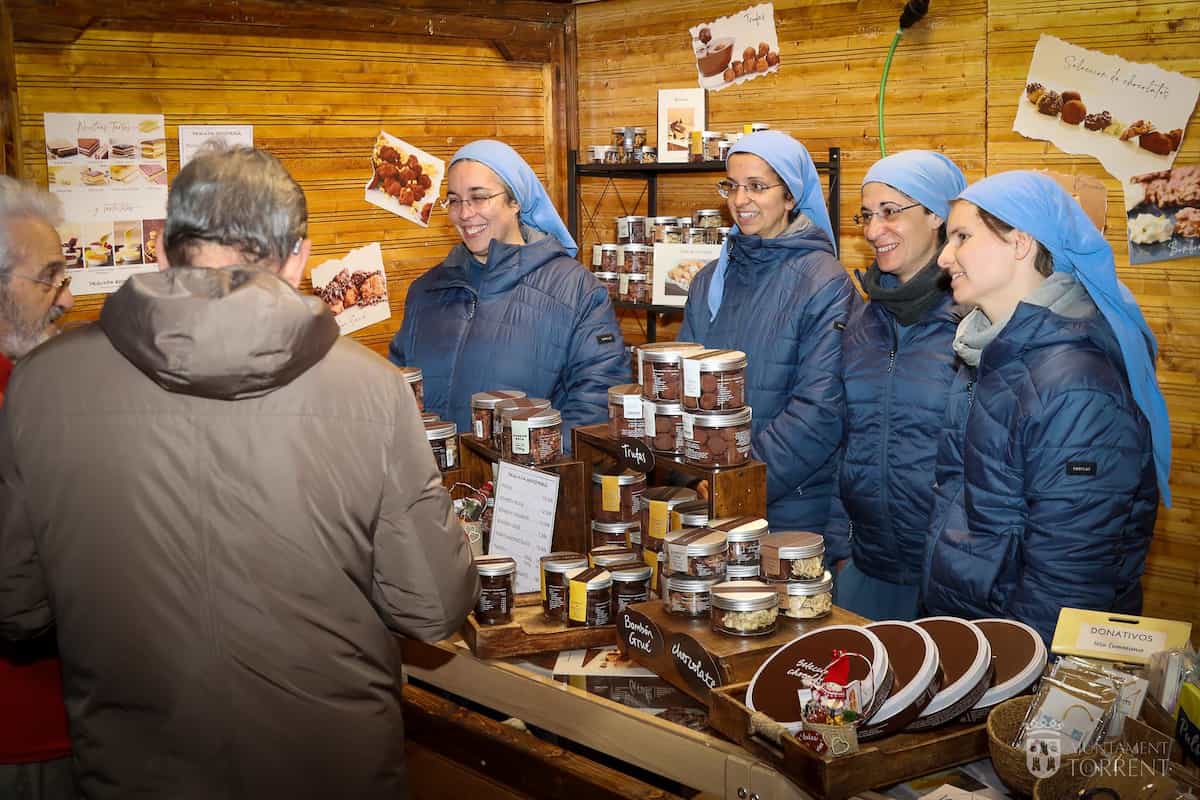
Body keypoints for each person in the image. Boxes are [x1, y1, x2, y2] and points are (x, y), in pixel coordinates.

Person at [0, 146, 479, 799]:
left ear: (166, 253)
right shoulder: (371, 389)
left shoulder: (40, 386)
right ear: (300, 257)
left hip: (137, 772)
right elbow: (431, 605)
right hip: (329, 772)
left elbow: (16, 606)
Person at [924, 170, 1166, 644]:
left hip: (1019, 649)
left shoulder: (1076, 386)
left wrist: (1016, 673)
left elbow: (1069, 579)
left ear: (1019, 243)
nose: (944, 256)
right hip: (973, 627)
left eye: (962, 237)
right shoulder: (988, 351)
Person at [389, 139, 628, 447]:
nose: (464, 213)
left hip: (528, 486)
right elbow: (398, 390)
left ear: (515, 202)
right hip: (435, 487)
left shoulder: (576, 290)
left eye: (479, 197)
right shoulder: (425, 292)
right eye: (454, 200)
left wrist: (534, 477)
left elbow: (596, 406)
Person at [679, 131, 854, 531]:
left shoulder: (824, 282)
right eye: (732, 186)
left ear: (790, 196)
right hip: (708, 492)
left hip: (789, 505)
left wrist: (740, 479)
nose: (740, 200)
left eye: (757, 186)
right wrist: (692, 472)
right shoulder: (710, 280)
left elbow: (820, 410)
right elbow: (682, 386)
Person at [825, 151, 966, 621]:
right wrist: (839, 544)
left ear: (936, 217)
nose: (872, 230)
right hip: (866, 568)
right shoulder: (864, 319)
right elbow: (842, 439)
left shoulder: (971, 321)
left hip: (946, 579)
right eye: (867, 215)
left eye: (891, 211)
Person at [0, 177, 76, 799]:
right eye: (48, 277)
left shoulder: (30, 385)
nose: (66, 300)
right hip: (24, 731)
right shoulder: (16, 405)